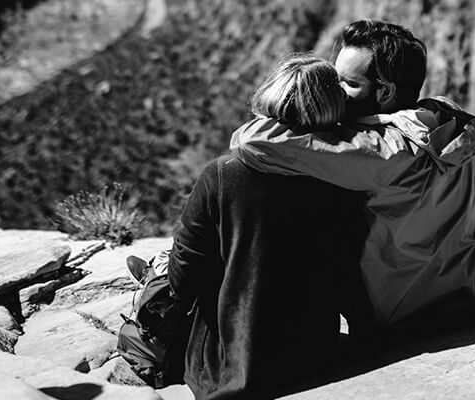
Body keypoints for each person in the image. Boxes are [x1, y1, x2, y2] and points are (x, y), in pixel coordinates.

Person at [230, 20, 475, 331]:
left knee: (245, 179)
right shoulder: (442, 117)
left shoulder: (381, 150)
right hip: (471, 294)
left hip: (400, 315)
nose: (334, 91)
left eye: (346, 83)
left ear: (385, 91)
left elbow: (251, 141)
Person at [134, 54, 369, 399]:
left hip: (229, 365)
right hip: (314, 354)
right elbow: (350, 270)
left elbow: (185, 280)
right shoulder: (347, 176)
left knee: (167, 274)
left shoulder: (224, 173)